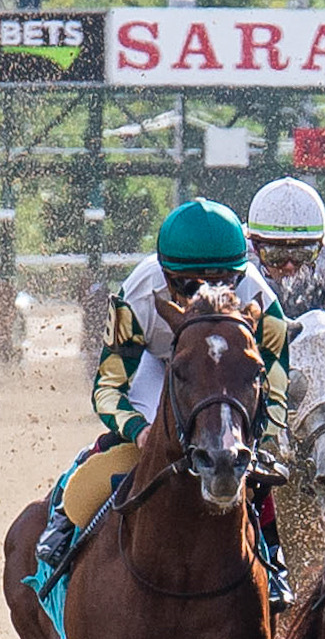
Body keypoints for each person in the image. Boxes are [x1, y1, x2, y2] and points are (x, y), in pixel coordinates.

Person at [34, 200, 292, 602]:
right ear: (166, 275)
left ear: (239, 278)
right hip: (160, 366)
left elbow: (275, 393)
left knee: (248, 467)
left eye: (223, 284)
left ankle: (273, 562)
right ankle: (66, 525)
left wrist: (254, 440)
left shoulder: (264, 306)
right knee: (135, 454)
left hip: (226, 379)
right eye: (188, 287)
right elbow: (108, 386)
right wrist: (138, 431)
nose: (203, 295)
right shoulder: (137, 297)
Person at [245, 177, 325, 344]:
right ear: (254, 246)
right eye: (275, 256)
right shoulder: (239, 262)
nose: (289, 266)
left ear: (320, 246)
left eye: (302, 255)